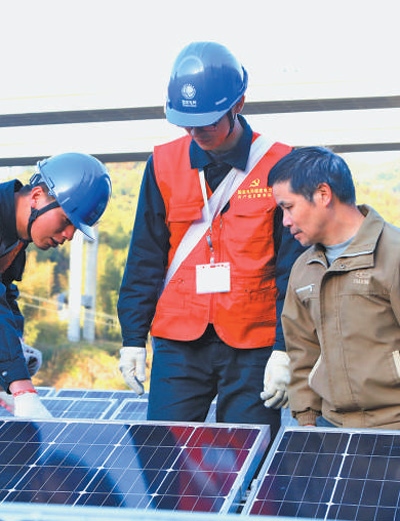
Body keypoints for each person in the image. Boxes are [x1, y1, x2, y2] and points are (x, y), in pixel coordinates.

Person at [117, 41, 304, 440]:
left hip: (253, 343)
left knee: (251, 456)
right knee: (163, 453)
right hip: (179, 340)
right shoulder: (163, 163)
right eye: (187, 123)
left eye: (207, 122)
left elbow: (293, 269)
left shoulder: (280, 164)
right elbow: (145, 256)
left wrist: (285, 348)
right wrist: (132, 338)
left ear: (239, 104)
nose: (196, 132)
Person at [268, 145, 400, 430]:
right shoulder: (303, 268)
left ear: (323, 194)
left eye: (288, 207)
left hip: (393, 425)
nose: (285, 221)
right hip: (331, 427)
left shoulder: (394, 254)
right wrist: (307, 422)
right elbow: (302, 353)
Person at [0, 152, 112, 419]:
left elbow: (5, 295)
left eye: (75, 228)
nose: (69, 235)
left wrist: (16, 345)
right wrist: (21, 387)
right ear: (37, 196)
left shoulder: (15, 240)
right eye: (66, 221)